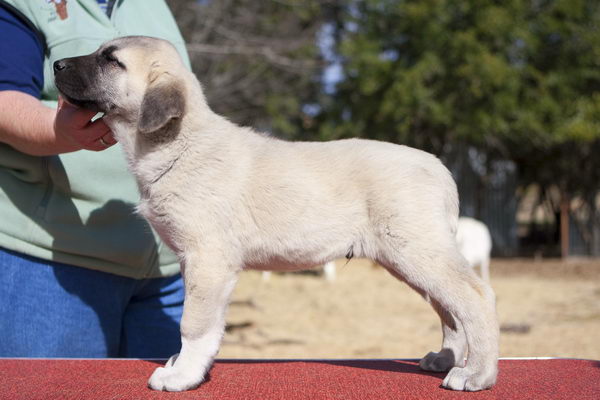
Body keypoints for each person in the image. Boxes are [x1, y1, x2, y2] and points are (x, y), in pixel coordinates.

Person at [0, 0, 191, 358]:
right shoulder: (22, 4)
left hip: (165, 272)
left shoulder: (151, 7)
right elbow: (3, 98)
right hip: (54, 264)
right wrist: (60, 132)